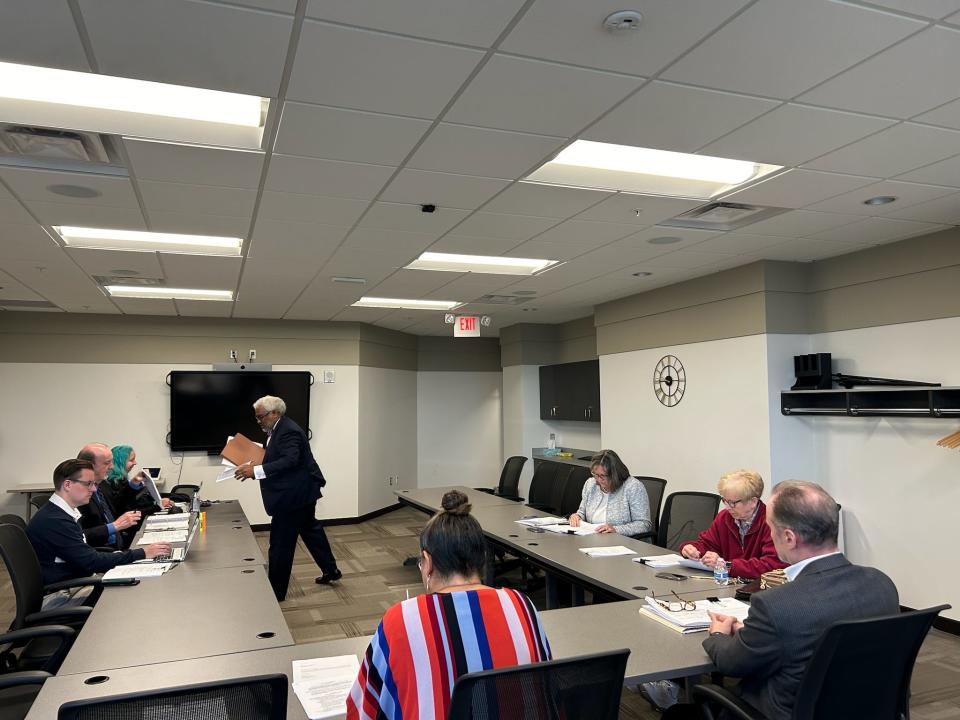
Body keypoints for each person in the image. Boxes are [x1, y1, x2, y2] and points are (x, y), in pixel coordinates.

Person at [664, 481, 899, 720]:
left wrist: (718, 634)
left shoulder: (776, 604)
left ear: (788, 538)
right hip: (868, 710)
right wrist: (757, 631)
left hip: (785, 712)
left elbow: (730, 663)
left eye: (771, 528)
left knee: (677, 715)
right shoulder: (882, 584)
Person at [347, 490, 551, 720]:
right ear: (481, 557)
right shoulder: (520, 605)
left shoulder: (402, 619)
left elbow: (364, 709)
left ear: (429, 562)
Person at [234, 395, 340, 600]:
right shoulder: (277, 428)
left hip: (294, 496)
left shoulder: (288, 430)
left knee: (281, 544)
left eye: (261, 417)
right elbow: (278, 456)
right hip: (302, 492)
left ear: (275, 413)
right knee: (311, 531)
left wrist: (256, 471)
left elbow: (290, 460)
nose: (259, 421)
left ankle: (276, 592)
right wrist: (253, 459)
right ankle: (331, 570)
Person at [26, 459, 172, 586]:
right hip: (66, 592)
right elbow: (91, 561)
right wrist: (143, 553)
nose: (94, 489)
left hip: (77, 580)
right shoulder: (55, 521)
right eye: (89, 484)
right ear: (68, 485)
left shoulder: (60, 513)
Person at [679, 469, 786, 579]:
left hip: (758, 589)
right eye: (725, 501)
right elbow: (708, 545)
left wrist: (727, 566)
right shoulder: (725, 517)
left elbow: (771, 566)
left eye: (733, 503)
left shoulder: (772, 522)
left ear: (753, 502)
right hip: (729, 583)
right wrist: (691, 549)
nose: (728, 507)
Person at [568, 450, 652, 536]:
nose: (598, 480)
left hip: (624, 543)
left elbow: (644, 524)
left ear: (615, 474)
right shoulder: (590, 484)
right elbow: (582, 512)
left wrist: (616, 529)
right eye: (595, 474)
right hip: (593, 538)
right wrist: (577, 516)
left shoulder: (633, 487)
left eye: (602, 476)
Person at [77, 442, 141, 549]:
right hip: (102, 552)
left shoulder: (102, 485)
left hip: (118, 546)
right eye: (107, 463)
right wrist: (113, 527)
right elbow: (79, 536)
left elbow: (118, 508)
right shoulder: (77, 495)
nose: (111, 467)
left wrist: (133, 486)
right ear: (89, 465)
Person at [105, 444, 174, 514]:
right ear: (121, 462)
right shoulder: (116, 483)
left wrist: (157, 502)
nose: (135, 463)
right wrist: (158, 506)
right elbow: (129, 511)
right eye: (131, 460)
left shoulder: (119, 480)